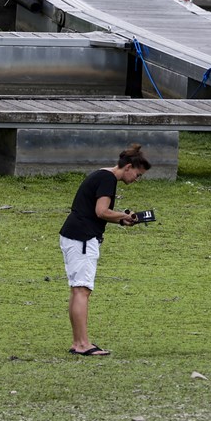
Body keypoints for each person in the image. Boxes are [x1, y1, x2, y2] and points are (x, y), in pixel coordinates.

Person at [59, 143, 151, 356]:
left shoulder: (102, 175)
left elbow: (95, 212)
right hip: (82, 238)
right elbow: (101, 211)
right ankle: (83, 345)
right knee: (82, 290)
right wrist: (124, 215)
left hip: (73, 234)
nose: (137, 180)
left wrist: (120, 221)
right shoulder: (108, 179)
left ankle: (78, 342)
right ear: (128, 167)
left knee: (77, 290)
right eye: (137, 175)